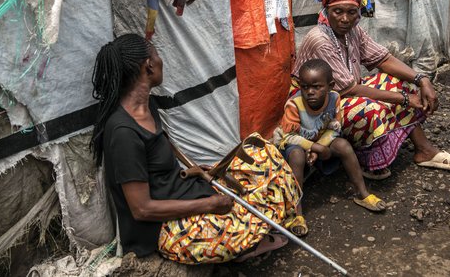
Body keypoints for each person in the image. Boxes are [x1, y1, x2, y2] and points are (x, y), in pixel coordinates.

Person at [90, 34, 301, 264]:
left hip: (185, 192)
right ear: (148, 66)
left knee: (264, 155)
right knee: (233, 222)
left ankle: (258, 231)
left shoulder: (147, 106)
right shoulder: (123, 133)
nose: (161, 60)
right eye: (157, 56)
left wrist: (196, 170)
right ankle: (249, 243)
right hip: (162, 227)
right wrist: (209, 204)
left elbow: (157, 164)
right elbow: (142, 209)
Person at [292, 0, 450, 179]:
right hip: (315, 110)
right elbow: (349, 90)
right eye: (337, 11)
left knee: (396, 83)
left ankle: (424, 150)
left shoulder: (352, 32)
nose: (344, 19)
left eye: (351, 12)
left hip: (342, 97)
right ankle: (368, 159)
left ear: (358, 14)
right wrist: (404, 98)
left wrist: (422, 80)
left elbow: (383, 59)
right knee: (373, 108)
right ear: (326, 10)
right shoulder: (320, 40)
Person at [273, 59, 386, 236]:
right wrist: (314, 147)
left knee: (343, 145)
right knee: (297, 156)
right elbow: (289, 137)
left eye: (317, 87)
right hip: (295, 145)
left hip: (321, 142)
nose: (310, 92)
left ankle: (362, 194)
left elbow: (335, 128)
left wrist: (321, 148)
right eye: (305, 87)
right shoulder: (294, 105)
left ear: (330, 85)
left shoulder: (334, 98)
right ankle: (295, 213)